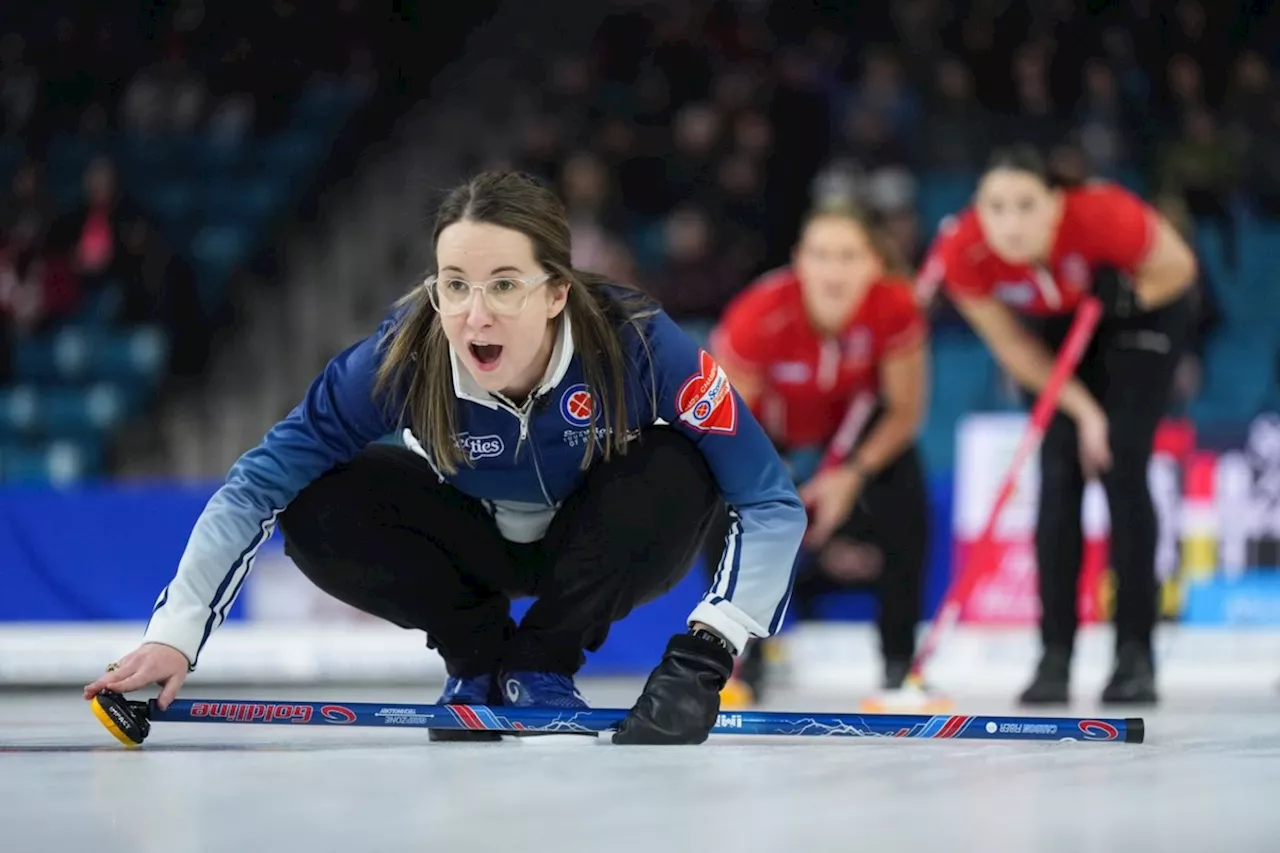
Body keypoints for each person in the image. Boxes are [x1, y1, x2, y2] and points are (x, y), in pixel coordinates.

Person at [82, 171, 808, 745]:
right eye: (453, 285)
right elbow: (252, 489)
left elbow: (769, 500)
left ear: (557, 291)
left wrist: (708, 653)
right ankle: (481, 660)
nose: (473, 313)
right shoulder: (394, 360)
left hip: (595, 546)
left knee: (681, 464)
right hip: (466, 545)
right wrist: (172, 636)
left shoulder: (639, 344)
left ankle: (542, 662)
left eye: (503, 285)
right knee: (315, 499)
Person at [916, 145, 1197, 706]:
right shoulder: (963, 251)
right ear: (978, 210)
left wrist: (1132, 295)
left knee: (1122, 461)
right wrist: (1085, 411)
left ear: (1055, 206)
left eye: (1026, 205)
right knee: (1059, 472)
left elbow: (1180, 269)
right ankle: (1054, 656)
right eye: (997, 207)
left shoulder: (1103, 215)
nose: (1011, 222)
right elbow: (1013, 349)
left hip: (1142, 310)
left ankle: (1134, 656)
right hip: (1055, 330)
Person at [705, 200, 931, 706]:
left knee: (905, 483)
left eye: (849, 256)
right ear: (799, 261)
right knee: (717, 504)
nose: (834, 270)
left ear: (875, 264)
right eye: (821, 255)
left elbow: (904, 412)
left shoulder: (895, 308)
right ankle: (737, 660)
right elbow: (724, 424)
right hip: (764, 438)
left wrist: (851, 474)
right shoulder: (758, 316)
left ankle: (899, 666)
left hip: (853, 441)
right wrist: (775, 488)